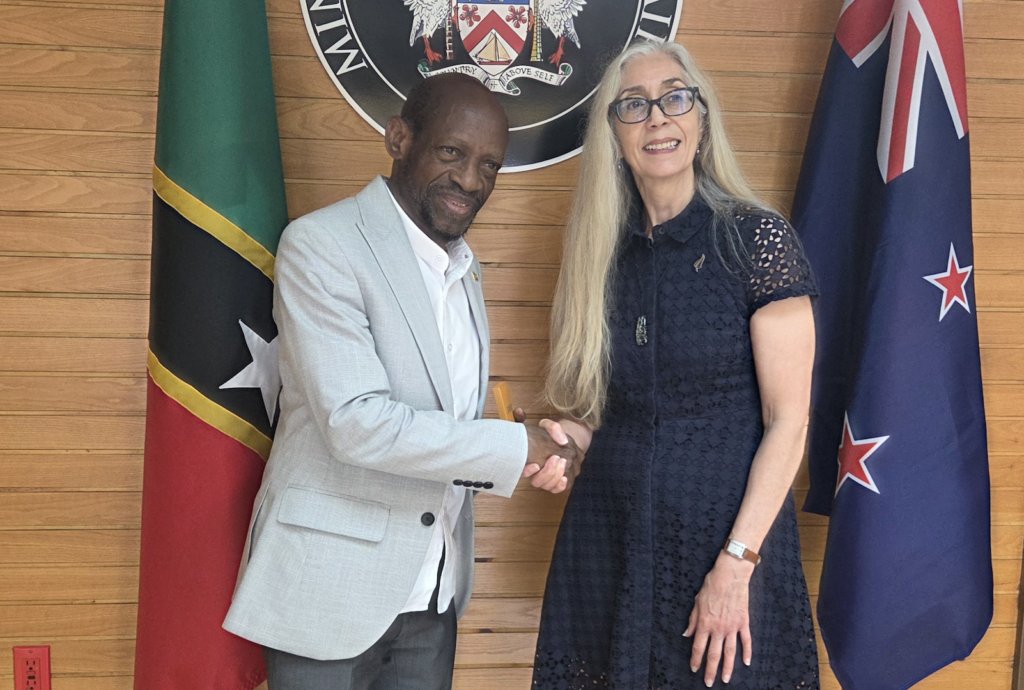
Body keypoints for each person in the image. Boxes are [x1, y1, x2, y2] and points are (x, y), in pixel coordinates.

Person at [222, 73, 582, 690]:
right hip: (328, 590)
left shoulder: (464, 270)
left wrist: (524, 443)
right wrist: (511, 448)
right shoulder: (322, 245)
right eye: (452, 152)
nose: (471, 180)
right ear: (399, 139)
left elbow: (443, 418)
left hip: (433, 593)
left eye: (489, 166)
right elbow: (356, 422)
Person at [532, 40, 820, 689]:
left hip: (727, 549)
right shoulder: (599, 257)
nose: (657, 117)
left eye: (675, 98)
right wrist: (566, 444)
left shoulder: (755, 240)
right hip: (610, 545)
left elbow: (789, 422)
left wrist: (736, 565)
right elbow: (609, 416)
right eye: (633, 105)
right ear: (614, 134)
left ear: (701, 119)